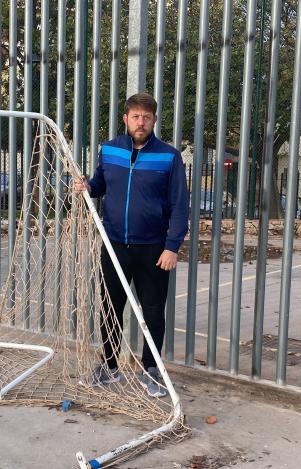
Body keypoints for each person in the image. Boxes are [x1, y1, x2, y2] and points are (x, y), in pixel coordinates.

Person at [73, 92, 189, 398]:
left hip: (154, 249)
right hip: (114, 246)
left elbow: (180, 206)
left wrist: (172, 246)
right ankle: (109, 366)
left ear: (154, 121)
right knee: (110, 307)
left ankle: (151, 369)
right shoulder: (109, 150)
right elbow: (101, 184)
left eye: (147, 117)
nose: (141, 122)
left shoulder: (169, 156)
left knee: (152, 312)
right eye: (136, 116)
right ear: (126, 119)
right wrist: (88, 186)